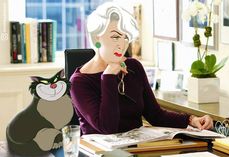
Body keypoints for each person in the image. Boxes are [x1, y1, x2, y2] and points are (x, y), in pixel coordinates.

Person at [70, 2, 213, 135]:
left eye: (126, 37)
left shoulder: (133, 67)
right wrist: (108, 77)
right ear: (96, 39)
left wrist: (191, 120)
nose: (121, 44)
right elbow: (107, 127)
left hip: (136, 149)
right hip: (99, 152)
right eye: (115, 37)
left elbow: (156, 115)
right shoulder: (79, 82)